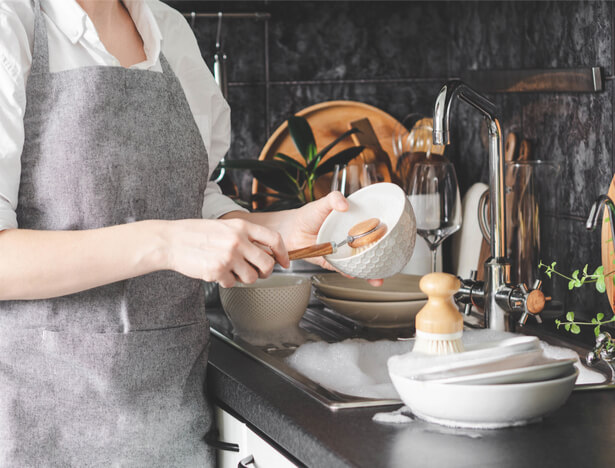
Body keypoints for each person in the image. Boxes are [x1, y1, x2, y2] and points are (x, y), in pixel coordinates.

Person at [0, 0, 382, 465]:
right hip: (39, 424)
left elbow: (190, 196)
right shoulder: (12, 23)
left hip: (168, 419)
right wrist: (163, 242)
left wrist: (285, 229)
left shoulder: (166, 28)